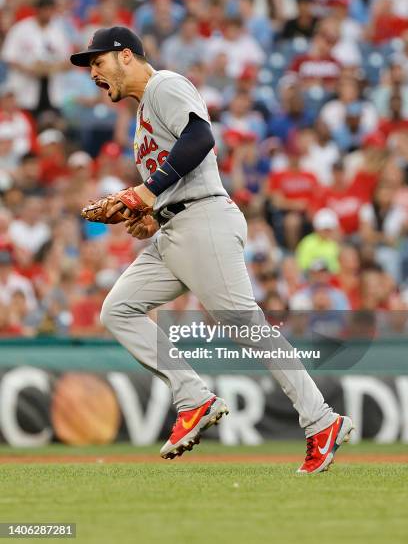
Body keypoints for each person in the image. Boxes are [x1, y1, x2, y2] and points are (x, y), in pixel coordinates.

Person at [70, 26, 353, 474]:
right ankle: (194, 398)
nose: (93, 73)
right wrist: (148, 214)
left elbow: (200, 140)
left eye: (98, 62)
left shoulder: (165, 84)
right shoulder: (144, 114)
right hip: (176, 227)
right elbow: (168, 180)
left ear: (125, 56)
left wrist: (146, 192)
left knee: (246, 325)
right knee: (119, 309)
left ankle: (321, 420)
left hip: (204, 220)